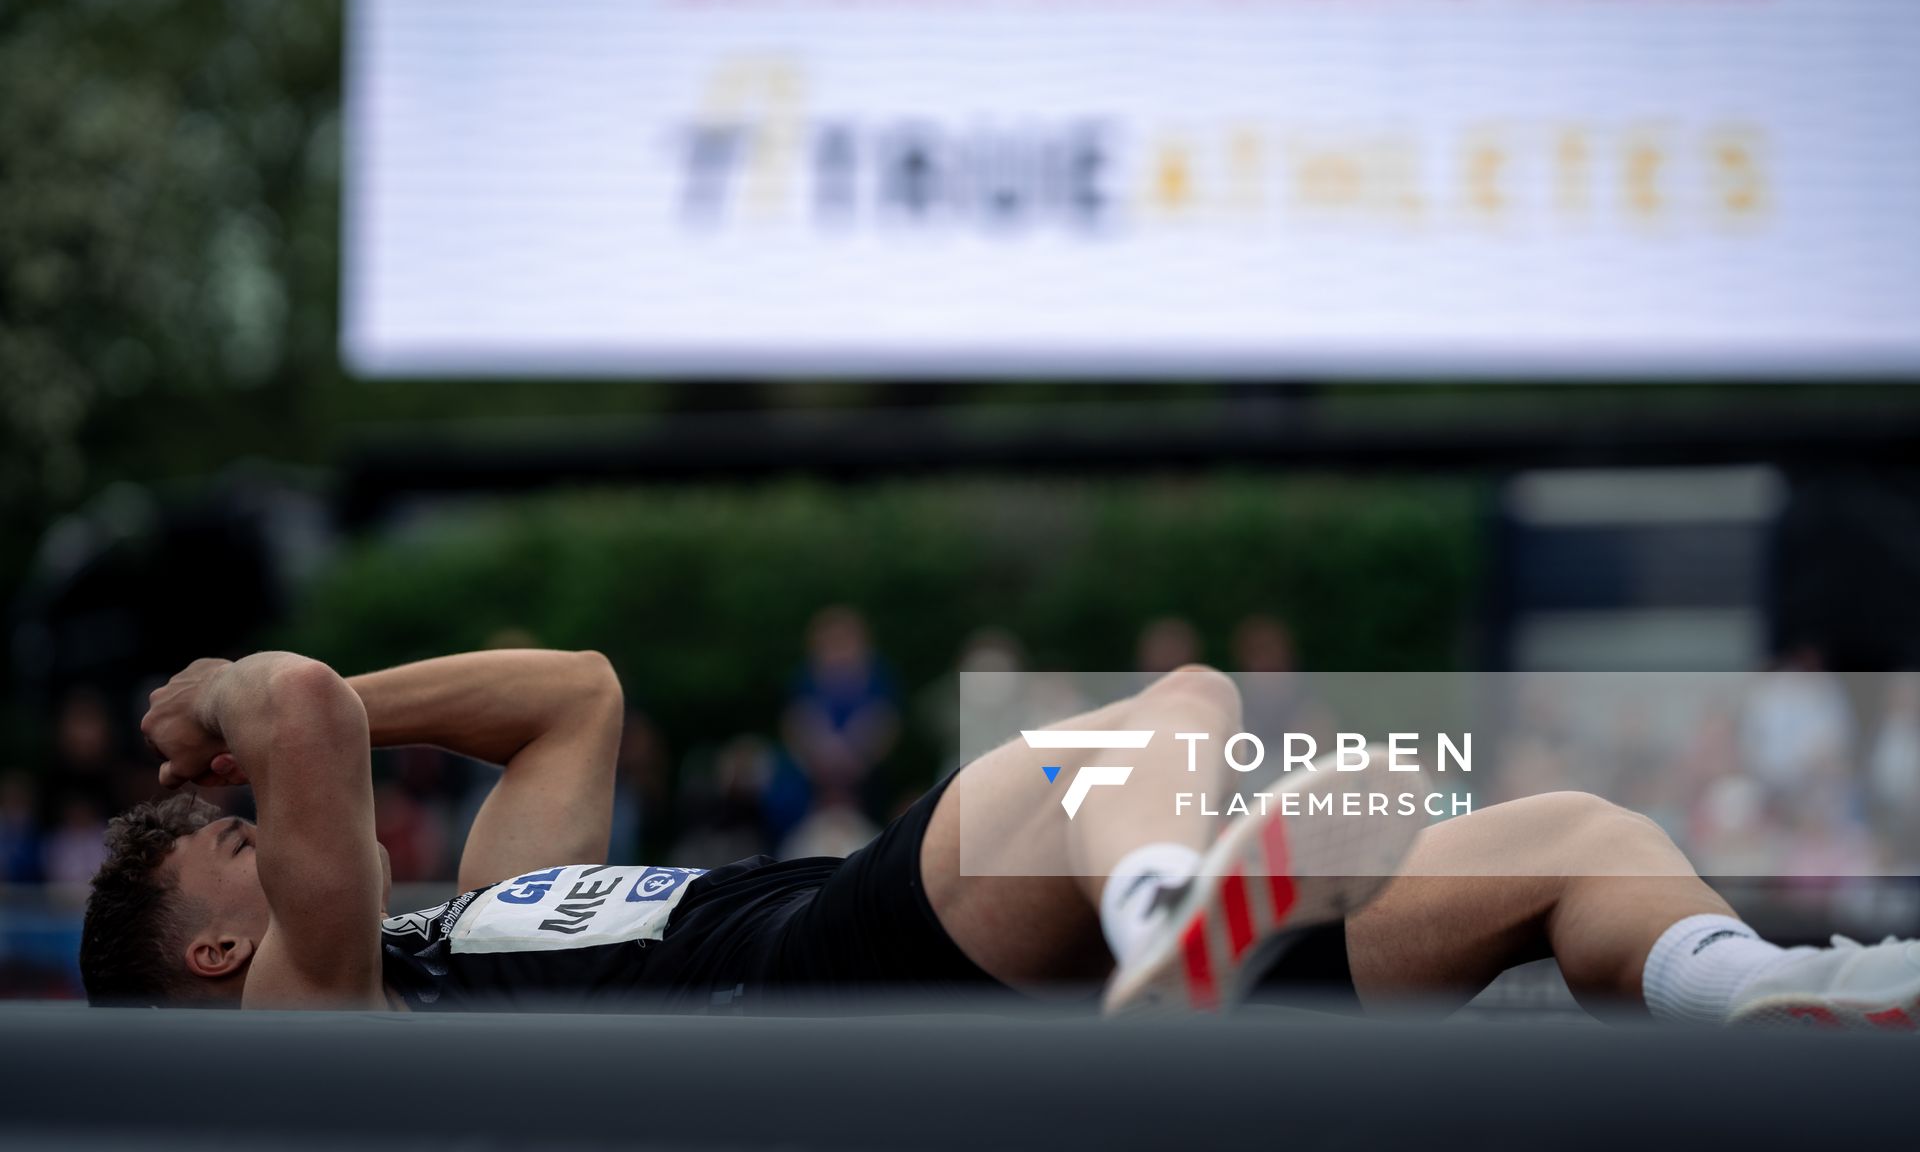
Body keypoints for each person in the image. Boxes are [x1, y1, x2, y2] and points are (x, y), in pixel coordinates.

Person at [81, 649, 1920, 1028]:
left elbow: (572, 692)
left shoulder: (491, 901)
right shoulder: (321, 1006)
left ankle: (1761, 992)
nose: (264, 832)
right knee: (1182, 708)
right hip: (837, 974)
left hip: (983, 963)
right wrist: (229, 699)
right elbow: (306, 716)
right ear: (223, 946)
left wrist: (306, 710)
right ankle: (1167, 914)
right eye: (232, 848)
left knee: (1565, 830)